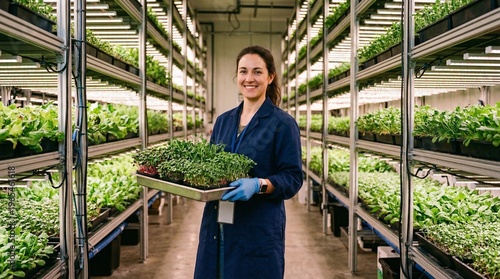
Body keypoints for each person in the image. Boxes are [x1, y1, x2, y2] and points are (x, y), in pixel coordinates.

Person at [194, 45, 303, 279]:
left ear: (270, 77)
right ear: (237, 77)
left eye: (257, 72)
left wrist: (258, 185)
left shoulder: (282, 124)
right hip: (218, 224)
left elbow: (292, 177)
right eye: (243, 71)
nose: (249, 78)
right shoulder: (223, 121)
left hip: (256, 229)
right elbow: (211, 166)